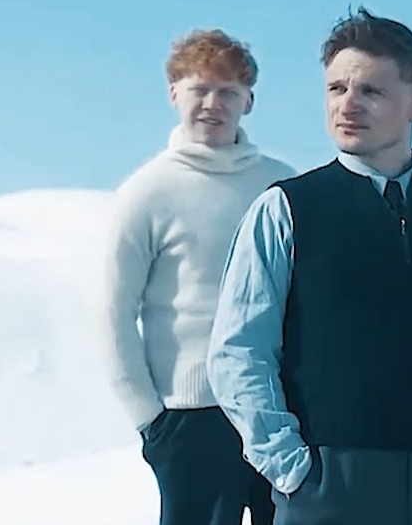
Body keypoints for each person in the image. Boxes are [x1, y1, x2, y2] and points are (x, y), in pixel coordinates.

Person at [207, 7, 412, 525]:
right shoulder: (286, 208)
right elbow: (239, 352)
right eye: (336, 89)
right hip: (328, 488)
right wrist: (293, 472)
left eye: (371, 91)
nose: (348, 105)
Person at [94, 29, 296, 525]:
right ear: (173, 94)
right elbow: (111, 313)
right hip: (190, 419)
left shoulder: (284, 186)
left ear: (249, 101)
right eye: (199, 89)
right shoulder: (146, 192)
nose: (213, 103)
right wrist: (150, 420)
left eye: (228, 91)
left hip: (281, 411)